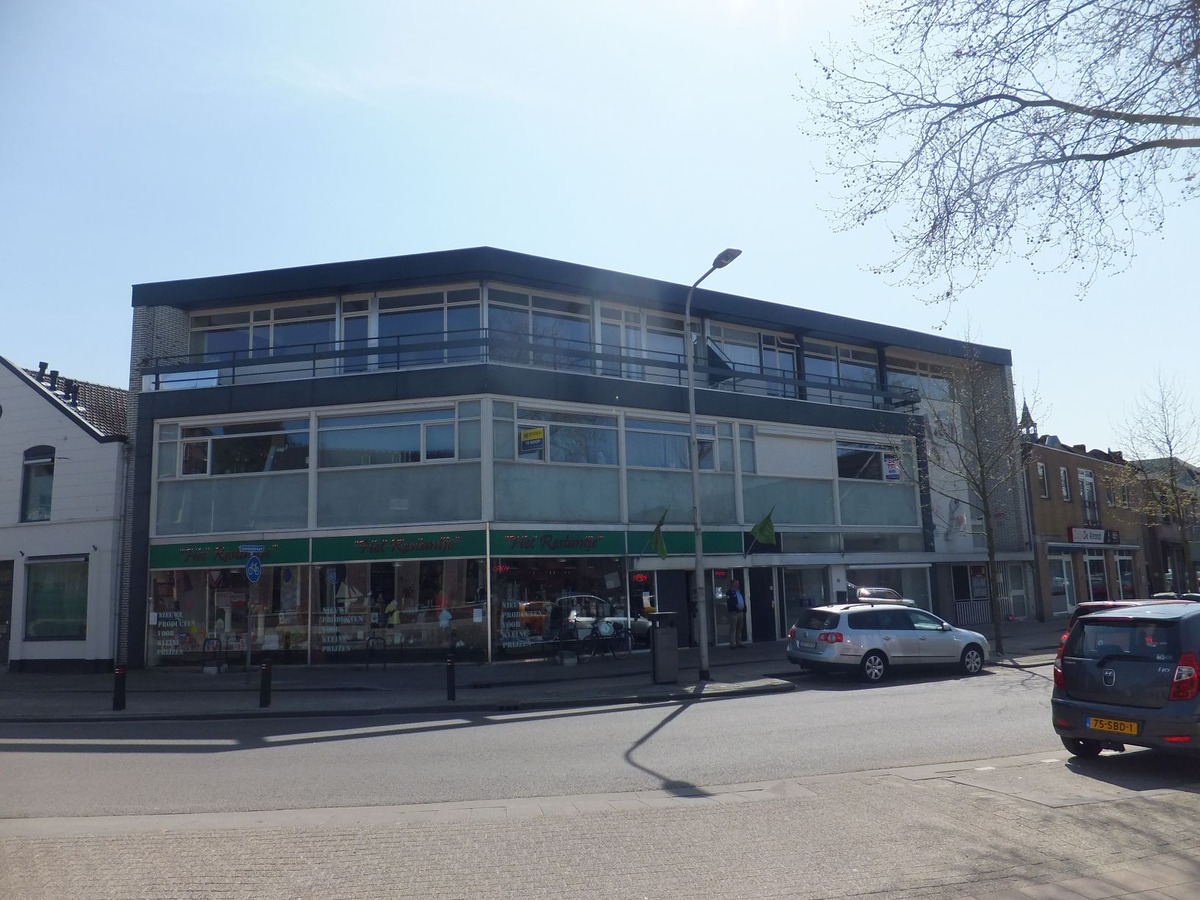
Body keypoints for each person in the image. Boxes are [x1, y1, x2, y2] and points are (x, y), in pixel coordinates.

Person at [727, 580, 746, 647]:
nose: (738, 585)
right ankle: (732, 643)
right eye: (736, 584)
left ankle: (739, 642)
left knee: (740, 628)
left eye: (738, 583)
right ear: (733, 584)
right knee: (733, 628)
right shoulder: (729, 592)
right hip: (734, 612)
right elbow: (730, 602)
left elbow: (743, 600)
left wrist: (744, 609)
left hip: (741, 612)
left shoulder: (740, 592)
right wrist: (736, 606)